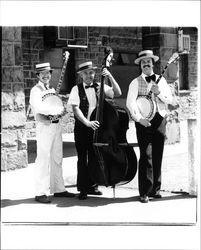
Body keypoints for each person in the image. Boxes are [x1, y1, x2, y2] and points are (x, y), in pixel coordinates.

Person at [68, 58, 122, 200]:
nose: (89, 76)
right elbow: (75, 108)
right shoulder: (76, 89)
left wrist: (109, 75)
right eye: (85, 73)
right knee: (82, 158)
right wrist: (87, 122)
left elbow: (118, 92)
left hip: (98, 129)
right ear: (81, 75)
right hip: (82, 128)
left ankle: (93, 185)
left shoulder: (100, 85)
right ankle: (83, 189)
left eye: (91, 73)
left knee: (95, 157)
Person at [126, 50, 173, 203]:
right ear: (140, 65)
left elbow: (170, 99)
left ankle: (155, 190)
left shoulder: (161, 80)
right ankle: (144, 192)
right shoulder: (135, 82)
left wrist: (158, 92)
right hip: (144, 123)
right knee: (146, 156)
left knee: (158, 154)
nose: (146, 64)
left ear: (153, 63)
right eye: (143, 62)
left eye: (148, 61)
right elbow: (130, 103)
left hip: (160, 120)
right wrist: (139, 119)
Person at [29, 62, 75, 203]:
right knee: (43, 159)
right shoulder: (35, 90)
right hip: (44, 126)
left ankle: (59, 189)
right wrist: (58, 110)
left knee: (57, 157)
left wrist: (60, 109)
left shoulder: (51, 88)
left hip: (56, 126)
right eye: (42, 73)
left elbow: (56, 104)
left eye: (47, 73)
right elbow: (40, 108)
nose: (45, 75)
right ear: (38, 75)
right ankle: (40, 192)